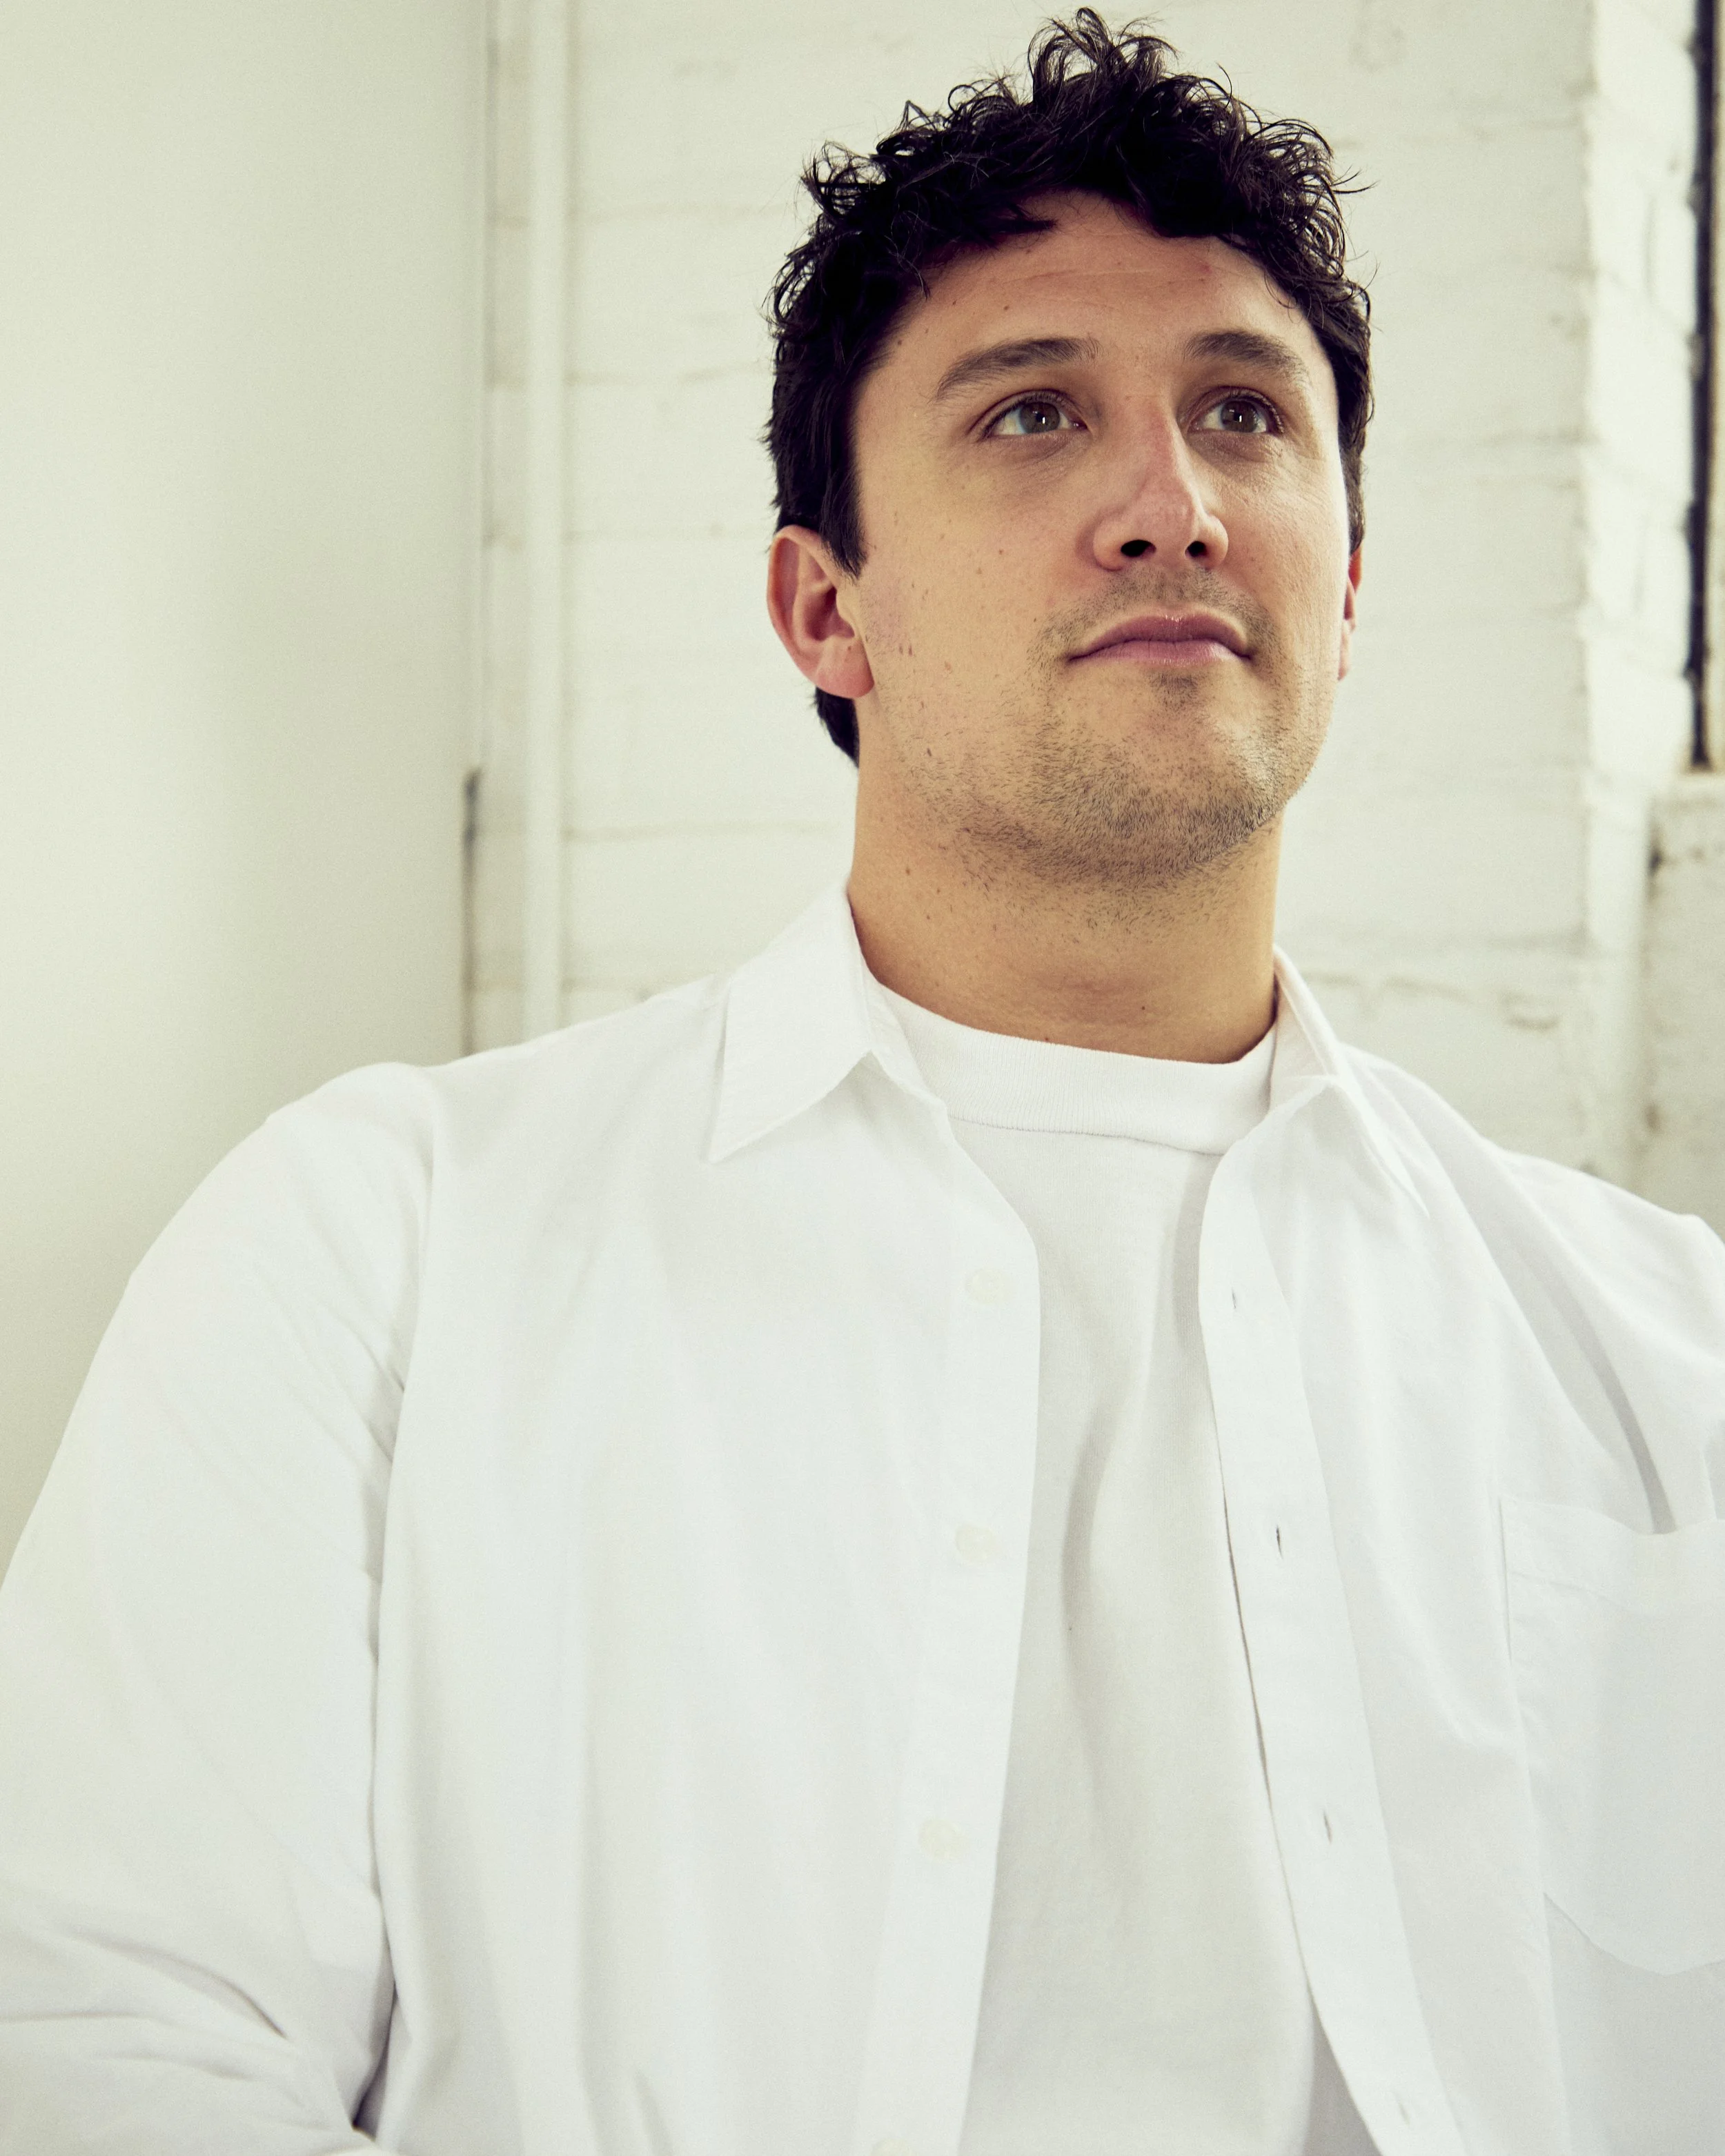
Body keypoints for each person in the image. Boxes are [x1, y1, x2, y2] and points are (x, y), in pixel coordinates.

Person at [1, 12, 1721, 2153]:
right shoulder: (383, 1252)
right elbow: (106, 2037)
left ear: (1346, 590)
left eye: (1241, 414)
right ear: (826, 608)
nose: (1169, 502)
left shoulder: (1665, 1358)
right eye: (1030, 413)